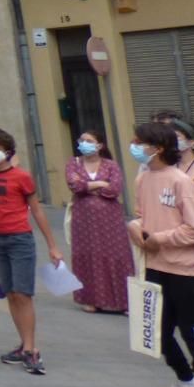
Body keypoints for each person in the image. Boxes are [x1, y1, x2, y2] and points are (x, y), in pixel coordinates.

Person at [129, 121, 194, 387]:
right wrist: (136, 228)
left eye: (139, 142)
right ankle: (186, 381)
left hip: (185, 270)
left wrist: (159, 239)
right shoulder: (143, 179)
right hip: (155, 267)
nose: (134, 147)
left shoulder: (180, 181)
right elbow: (140, 215)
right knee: (156, 331)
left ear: (157, 148)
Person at [0, 129, 63, 375]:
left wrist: (52, 245)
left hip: (19, 239)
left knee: (23, 294)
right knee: (11, 293)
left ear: (7, 151)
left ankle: (32, 349)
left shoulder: (21, 177)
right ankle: (24, 343)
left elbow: (37, 210)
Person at [63, 130, 132, 314]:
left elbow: (114, 189)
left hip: (110, 218)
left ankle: (124, 301)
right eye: (82, 140)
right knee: (88, 254)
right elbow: (75, 186)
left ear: (100, 145)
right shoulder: (74, 163)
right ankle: (91, 299)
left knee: (117, 255)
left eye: (89, 141)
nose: (84, 143)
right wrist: (100, 184)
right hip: (83, 219)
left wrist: (89, 186)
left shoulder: (111, 165)